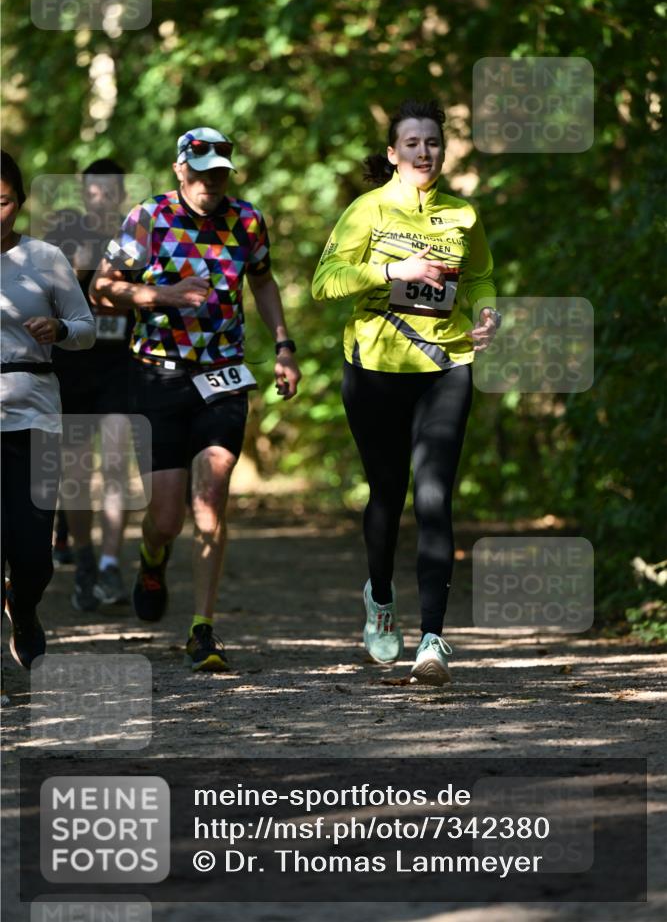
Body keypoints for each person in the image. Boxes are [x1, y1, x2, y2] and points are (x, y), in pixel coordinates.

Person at [90, 127, 301, 672]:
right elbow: (103, 289)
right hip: (157, 376)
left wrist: (284, 345)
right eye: (201, 169)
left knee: (211, 497)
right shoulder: (148, 218)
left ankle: (202, 629)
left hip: (224, 375)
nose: (211, 180)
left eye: (220, 171)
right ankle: (151, 558)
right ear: (180, 169)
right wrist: (161, 295)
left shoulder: (246, 220)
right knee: (166, 517)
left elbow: (263, 281)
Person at [312, 99, 499, 685]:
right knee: (388, 495)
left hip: (446, 364)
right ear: (393, 154)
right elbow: (324, 283)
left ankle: (434, 639)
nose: (424, 152)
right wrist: (394, 271)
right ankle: (382, 596)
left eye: (433, 143)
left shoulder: (463, 215)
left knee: (437, 498)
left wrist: (487, 311)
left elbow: (482, 275)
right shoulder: (366, 211)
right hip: (374, 367)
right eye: (413, 143)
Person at [1, 150, 95, 687]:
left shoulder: (45, 257)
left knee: (33, 551)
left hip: (35, 410)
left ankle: (27, 608)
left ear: (19, 202)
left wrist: (57, 331)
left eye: (3, 201)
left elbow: (84, 327)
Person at [46, 159, 133, 611]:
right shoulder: (64, 237)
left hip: (120, 370)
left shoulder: (138, 237)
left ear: (119, 194)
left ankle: (110, 565)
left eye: (109, 191)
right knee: (77, 474)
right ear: (84, 194)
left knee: (117, 465)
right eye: (93, 191)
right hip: (73, 371)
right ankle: (83, 561)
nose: (101, 198)